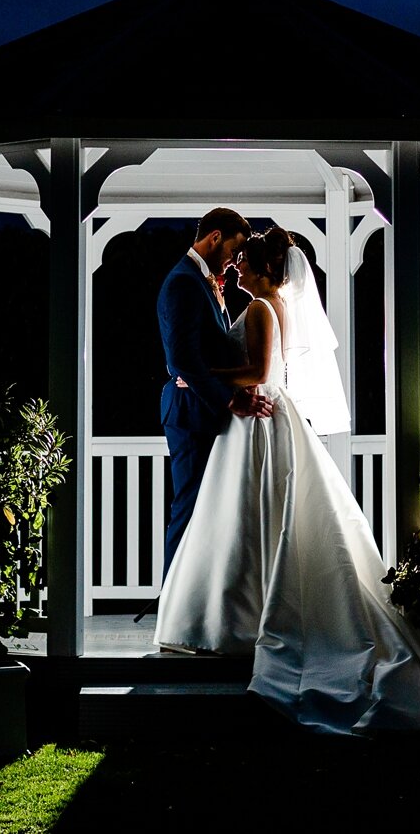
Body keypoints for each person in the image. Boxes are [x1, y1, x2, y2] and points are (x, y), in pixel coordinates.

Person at [154, 227, 420, 738]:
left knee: (248, 519)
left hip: (257, 417)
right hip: (273, 415)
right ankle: (252, 608)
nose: (235, 269)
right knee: (265, 518)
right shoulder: (277, 301)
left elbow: (258, 369)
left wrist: (204, 373)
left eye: (243, 264)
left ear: (261, 270)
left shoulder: (259, 307)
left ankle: (242, 617)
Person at [156, 207, 271, 576]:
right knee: (189, 508)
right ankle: (172, 603)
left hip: (205, 410)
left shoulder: (204, 281)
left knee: (207, 511)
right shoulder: (183, 282)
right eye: (233, 251)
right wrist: (230, 397)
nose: (235, 262)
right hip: (190, 412)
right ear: (215, 237)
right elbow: (182, 359)